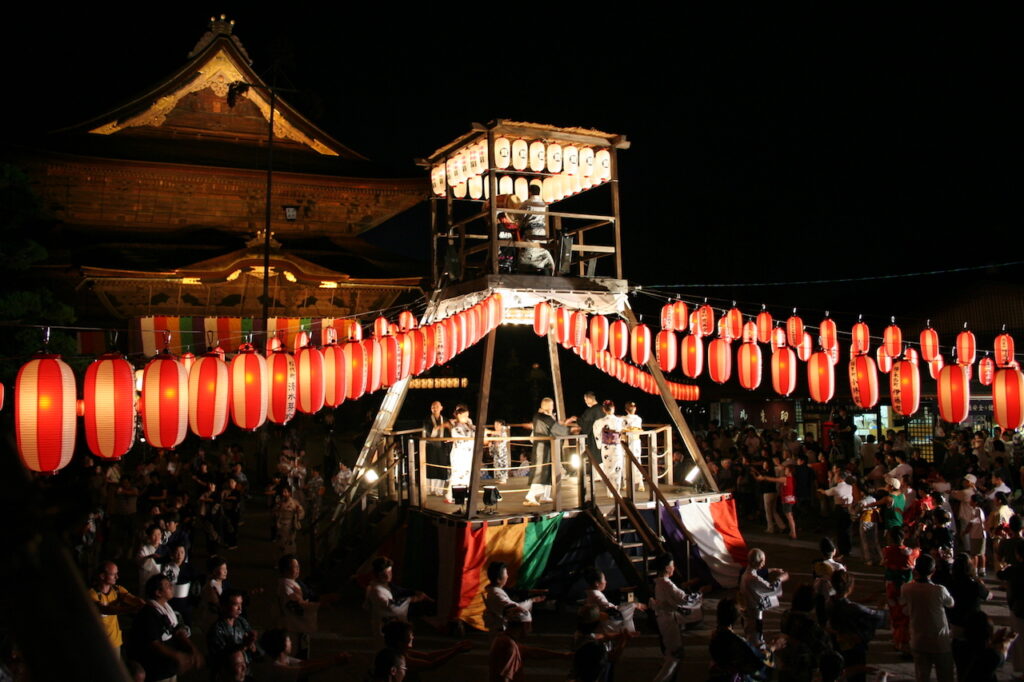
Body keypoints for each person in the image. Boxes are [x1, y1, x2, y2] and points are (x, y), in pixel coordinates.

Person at [126, 574, 204, 682]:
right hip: (156, 670)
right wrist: (178, 656)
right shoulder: (148, 614)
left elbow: (177, 631)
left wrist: (192, 649)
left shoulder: (166, 608)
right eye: (167, 585)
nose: (171, 586)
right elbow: (154, 643)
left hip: (169, 668)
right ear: (158, 592)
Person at [900, 554, 955, 682]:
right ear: (933, 571)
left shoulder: (906, 588)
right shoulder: (939, 590)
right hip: (939, 638)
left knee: (922, 675)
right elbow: (951, 603)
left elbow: (904, 607)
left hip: (918, 637)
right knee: (945, 674)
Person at [651, 553, 704, 682]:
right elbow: (684, 599)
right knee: (675, 654)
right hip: (668, 620)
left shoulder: (659, 582)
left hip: (664, 619)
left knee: (671, 652)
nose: (674, 567)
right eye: (672, 565)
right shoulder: (667, 584)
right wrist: (700, 593)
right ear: (667, 568)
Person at [827, 570, 887, 682]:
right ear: (850, 588)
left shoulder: (830, 602)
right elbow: (876, 617)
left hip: (836, 642)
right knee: (856, 674)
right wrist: (881, 607)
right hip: (853, 645)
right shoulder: (853, 608)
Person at [488, 608, 569, 682]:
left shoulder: (503, 639)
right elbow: (505, 678)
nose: (531, 629)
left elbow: (533, 652)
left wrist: (563, 655)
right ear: (525, 625)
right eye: (530, 625)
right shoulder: (510, 645)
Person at [524, 398, 575, 506]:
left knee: (549, 472)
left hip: (545, 447)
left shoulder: (538, 416)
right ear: (548, 406)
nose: (553, 408)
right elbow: (558, 429)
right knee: (541, 472)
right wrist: (571, 430)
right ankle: (531, 496)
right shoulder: (545, 418)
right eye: (551, 406)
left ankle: (545, 496)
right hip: (544, 449)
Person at [708, 598, 774, 682]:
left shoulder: (716, 634)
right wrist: (772, 648)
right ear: (736, 617)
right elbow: (757, 661)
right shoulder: (735, 641)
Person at [365, 556, 429, 639]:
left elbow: (400, 590)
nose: (389, 575)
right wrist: (414, 599)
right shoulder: (376, 589)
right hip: (383, 624)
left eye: (390, 572)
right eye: (386, 573)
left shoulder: (385, 585)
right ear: (378, 574)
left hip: (389, 623)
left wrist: (415, 592)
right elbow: (392, 605)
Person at [89, 560, 145, 651]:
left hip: (114, 641)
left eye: (117, 573)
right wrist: (130, 609)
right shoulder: (92, 594)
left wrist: (143, 604)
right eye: (113, 574)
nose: (117, 577)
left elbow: (132, 599)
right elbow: (105, 609)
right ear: (102, 576)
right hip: (99, 642)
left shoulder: (117, 590)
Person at [255, 628, 349, 680]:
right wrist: (333, 661)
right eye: (288, 641)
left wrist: (333, 659)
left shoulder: (281, 658)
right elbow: (304, 670)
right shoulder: (274, 667)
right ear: (281, 645)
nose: (291, 643)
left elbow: (304, 663)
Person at [881, 527, 919, 656]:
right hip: (906, 586)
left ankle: (897, 640)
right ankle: (904, 642)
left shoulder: (887, 551)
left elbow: (885, 563)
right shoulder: (911, 553)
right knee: (905, 615)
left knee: (895, 614)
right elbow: (917, 553)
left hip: (892, 586)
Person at [740, 548, 787, 648]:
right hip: (753, 613)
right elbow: (771, 588)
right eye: (763, 561)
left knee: (751, 636)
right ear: (760, 561)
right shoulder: (752, 578)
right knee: (755, 640)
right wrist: (781, 578)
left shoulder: (746, 574)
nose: (764, 563)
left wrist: (772, 570)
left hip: (748, 611)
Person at [484, 561, 543, 633]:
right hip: (500, 631)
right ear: (498, 579)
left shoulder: (495, 591)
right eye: (506, 574)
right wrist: (531, 601)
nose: (507, 576)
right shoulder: (496, 594)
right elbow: (513, 608)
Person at [207, 590, 258, 673]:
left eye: (240, 604)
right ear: (224, 606)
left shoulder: (242, 622)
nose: (240, 608)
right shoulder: (217, 630)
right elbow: (221, 656)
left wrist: (252, 645)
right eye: (235, 605)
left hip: (245, 670)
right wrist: (243, 645)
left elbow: (253, 648)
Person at [582, 567, 644, 635]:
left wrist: (624, 590)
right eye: (604, 579)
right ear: (597, 583)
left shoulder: (592, 593)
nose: (606, 582)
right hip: (601, 626)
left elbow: (610, 594)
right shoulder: (597, 596)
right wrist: (633, 605)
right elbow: (613, 611)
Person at [517, 184, 554, 275]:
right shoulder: (544, 204)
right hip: (542, 231)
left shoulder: (527, 203)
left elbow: (519, 217)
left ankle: (526, 266)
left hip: (531, 229)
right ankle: (541, 266)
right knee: (541, 248)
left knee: (530, 249)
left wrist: (519, 225)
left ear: (529, 192)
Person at [817, 471, 854, 557]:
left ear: (840, 478)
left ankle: (842, 550)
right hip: (849, 509)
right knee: (848, 530)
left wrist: (820, 490)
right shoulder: (850, 487)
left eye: (836, 476)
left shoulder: (836, 489)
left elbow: (826, 492)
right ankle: (848, 550)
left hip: (839, 509)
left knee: (840, 530)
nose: (834, 477)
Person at [592, 400, 626, 495]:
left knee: (607, 468)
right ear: (613, 408)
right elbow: (624, 432)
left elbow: (597, 434)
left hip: (605, 446)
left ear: (604, 409)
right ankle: (617, 491)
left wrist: (599, 444)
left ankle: (609, 491)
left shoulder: (598, 422)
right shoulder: (620, 421)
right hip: (617, 446)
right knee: (617, 468)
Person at [446, 406, 475, 504]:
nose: (467, 418)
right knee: (458, 475)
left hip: (468, 453)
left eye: (467, 416)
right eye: (465, 416)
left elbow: (476, 432)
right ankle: (454, 496)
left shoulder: (469, 426)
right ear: (458, 415)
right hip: (459, 454)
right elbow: (462, 438)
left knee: (467, 474)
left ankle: (464, 495)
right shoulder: (456, 428)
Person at [423, 401, 451, 497]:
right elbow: (428, 433)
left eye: (437, 406)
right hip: (431, 447)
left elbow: (448, 432)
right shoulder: (427, 420)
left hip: (442, 447)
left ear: (441, 408)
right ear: (431, 409)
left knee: (441, 468)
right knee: (431, 468)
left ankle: (439, 491)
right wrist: (438, 428)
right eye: (433, 407)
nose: (435, 408)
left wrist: (449, 439)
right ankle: (429, 490)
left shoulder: (445, 420)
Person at [274, 488, 305, 556]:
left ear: (290, 493)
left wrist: (297, 515)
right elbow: (276, 512)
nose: (283, 494)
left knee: (290, 544)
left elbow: (301, 513)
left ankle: (291, 560)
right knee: (280, 544)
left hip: (290, 525)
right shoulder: (280, 502)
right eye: (283, 492)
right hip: (281, 525)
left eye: (285, 492)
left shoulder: (294, 502)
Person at [622, 402, 645, 491]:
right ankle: (627, 483)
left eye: (633, 407)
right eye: (631, 407)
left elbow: (636, 429)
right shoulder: (623, 419)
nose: (633, 408)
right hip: (627, 441)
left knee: (636, 461)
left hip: (634, 441)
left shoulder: (638, 419)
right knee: (626, 462)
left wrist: (628, 429)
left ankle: (640, 483)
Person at [137, 524, 163, 590]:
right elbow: (139, 562)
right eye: (154, 535)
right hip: (147, 578)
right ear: (149, 536)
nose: (157, 537)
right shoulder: (144, 549)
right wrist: (149, 557)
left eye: (159, 534)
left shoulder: (164, 548)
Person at [487, 418, 510, 484]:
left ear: (501, 425)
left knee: (502, 463)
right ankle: (499, 478)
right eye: (495, 424)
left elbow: (504, 439)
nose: (495, 425)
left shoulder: (503, 431)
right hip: (496, 450)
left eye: (497, 424)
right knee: (496, 463)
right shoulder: (495, 432)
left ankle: (503, 479)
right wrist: (491, 443)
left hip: (501, 450)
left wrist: (496, 441)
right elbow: (492, 440)